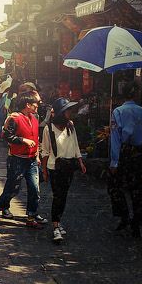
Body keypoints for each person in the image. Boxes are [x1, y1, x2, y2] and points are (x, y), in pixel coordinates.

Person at [0, 92, 48, 229]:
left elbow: (36, 138)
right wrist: (23, 140)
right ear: (27, 105)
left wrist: (37, 155)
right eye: (35, 104)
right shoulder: (14, 118)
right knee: (12, 188)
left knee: (34, 188)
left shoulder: (34, 118)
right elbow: (6, 136)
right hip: (17, 160)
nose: (37, 106)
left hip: (32, 160)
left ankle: (31, 217)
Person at [108, 81, 142, 239]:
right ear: (135, 94)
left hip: (124, 153)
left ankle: (124, 216)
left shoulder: (118, 111)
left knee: (115, 187)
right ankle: (136, 222)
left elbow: (115, 138)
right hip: (138, 155)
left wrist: (114, 162)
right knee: (137, 190)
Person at [41, 99, 87, 243]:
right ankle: (55, 226)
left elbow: (75, 145)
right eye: (67, 111)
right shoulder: (48, 129)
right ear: (61, 112)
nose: (69, 113)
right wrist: (44, 171)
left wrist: (80, 161)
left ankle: (58, 221)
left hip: (69, 166)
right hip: (55, 167)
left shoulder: (70, 126)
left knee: (64, 195)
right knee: (57, 196)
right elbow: (45, 152)